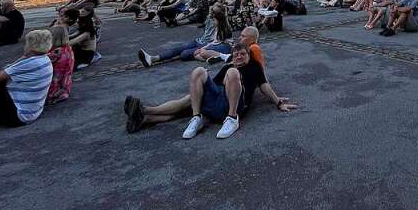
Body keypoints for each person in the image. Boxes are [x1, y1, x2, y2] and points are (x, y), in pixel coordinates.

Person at [125, 42, 296, 139]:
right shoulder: (228, 66)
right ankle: (144, 116)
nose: (238, 57)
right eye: (236, 54)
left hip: (234, 105)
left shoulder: (253, 67)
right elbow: (211, 85)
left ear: (248, 56)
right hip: (217, 101)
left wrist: (278, 102)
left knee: (232, 72)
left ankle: (231, 119)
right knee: (193, 87)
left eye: (242, 54)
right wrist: (195, 96)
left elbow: (264, 86)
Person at [138, 4, 233, 67]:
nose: (211, 13)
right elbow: (206, 32)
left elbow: (217, 42)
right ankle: (153, 58)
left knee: (184, 54)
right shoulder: (210, 19)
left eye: (213, 12)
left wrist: (203, 47)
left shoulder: (221, 24)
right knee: (178, 49)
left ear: (219, 16)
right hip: (200, 41)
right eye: (211, 11)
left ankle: (214, 57)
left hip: (206, 45)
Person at [46, 25, 74, 104]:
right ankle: (62, 93)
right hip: (66, 78)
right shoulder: (68, 48)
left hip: (56, 79)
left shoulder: (56, 52)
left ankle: (52, 96)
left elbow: (42, 60)